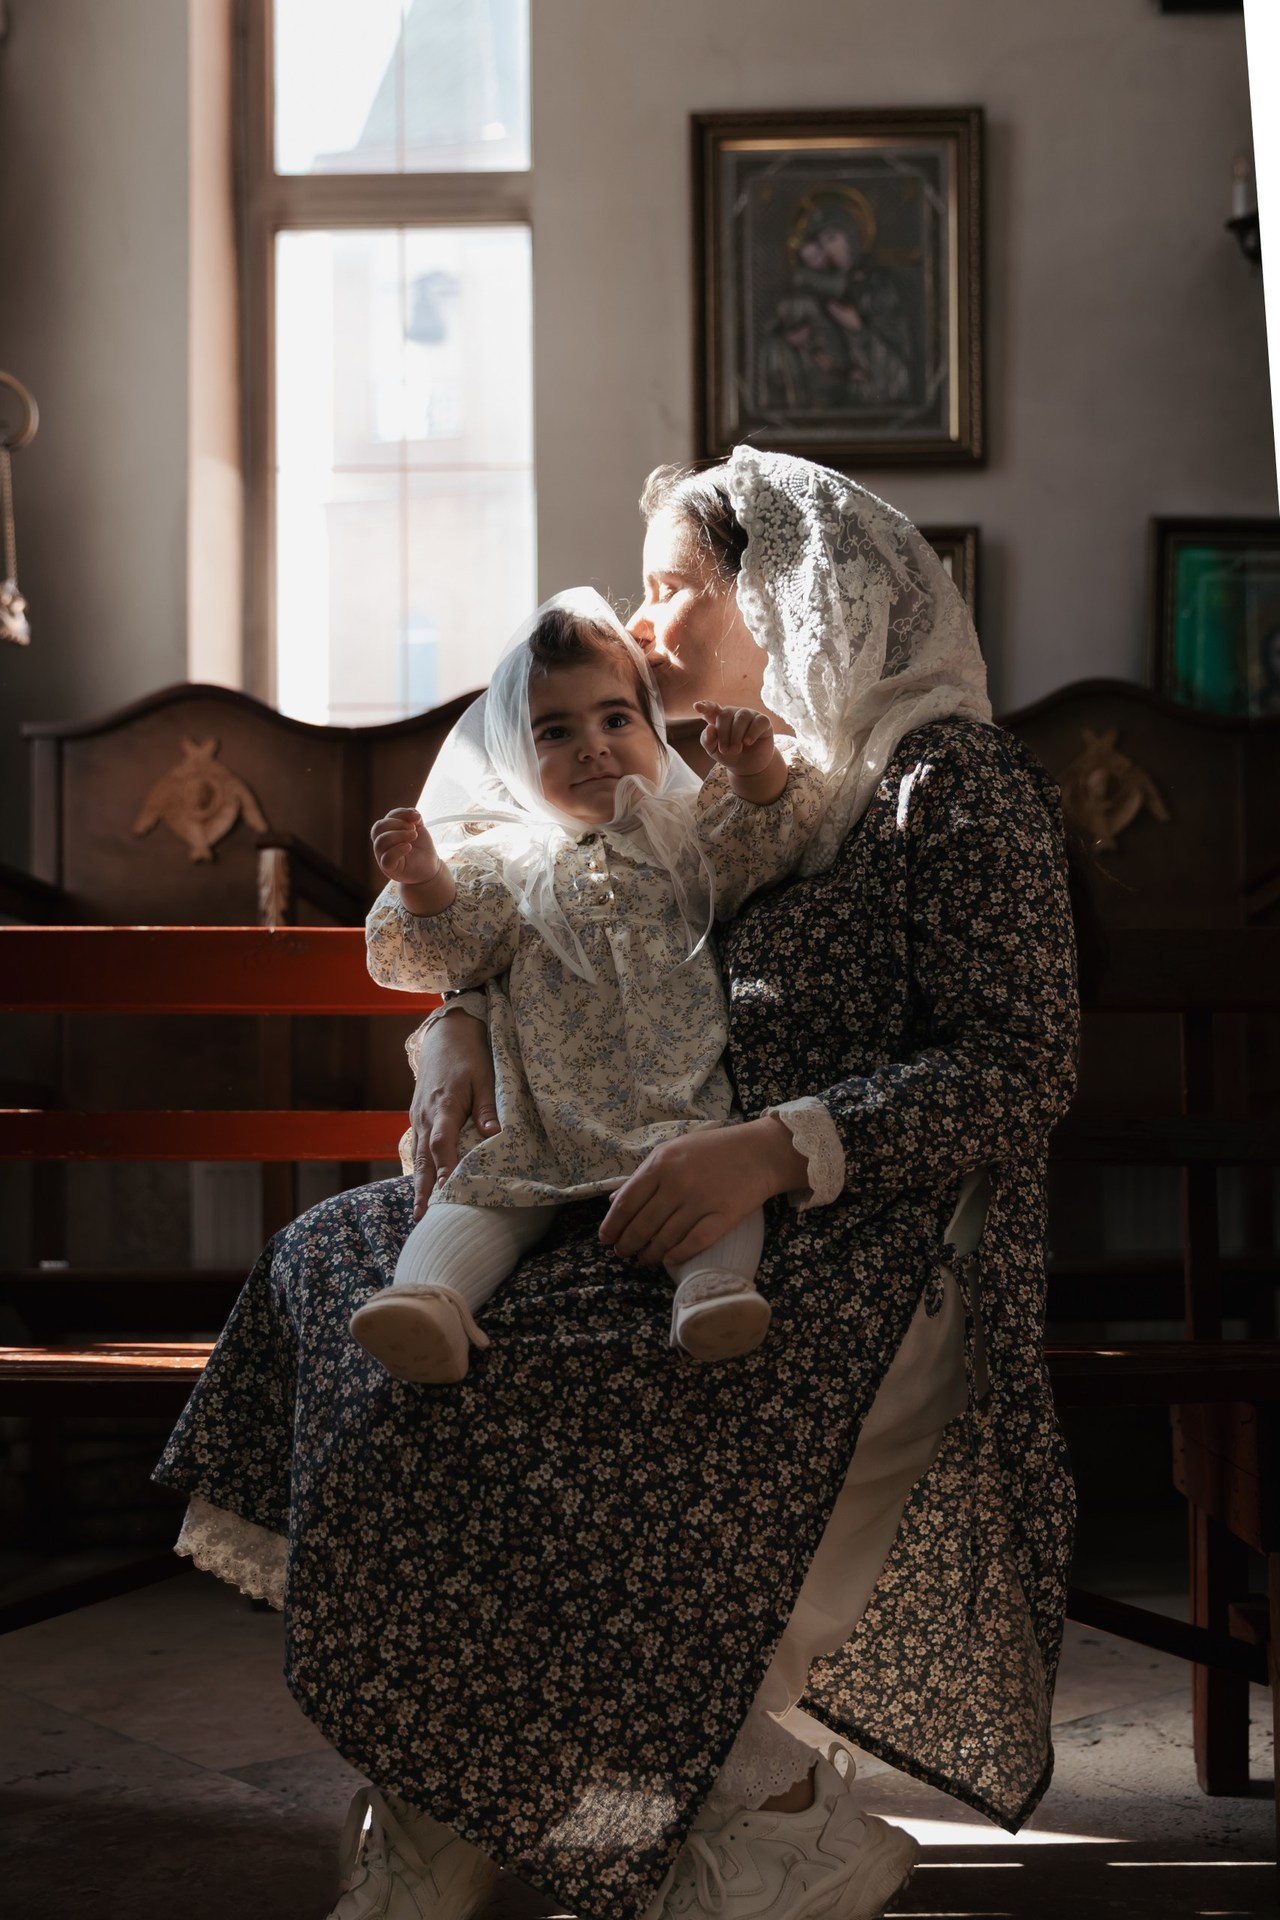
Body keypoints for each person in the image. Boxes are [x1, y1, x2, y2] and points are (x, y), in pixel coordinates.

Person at [153, 446, 1078, 1920]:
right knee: (343, 1270)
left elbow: (1016, 1068)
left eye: (673, 587)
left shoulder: (944, 781)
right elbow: (550, 910)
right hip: (618, 1168)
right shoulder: (687, 781)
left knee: (532, 1378)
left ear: (785, 589)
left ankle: (644, 1794)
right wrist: (451, 1034)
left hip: (864, 1229)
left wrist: (768, 1148)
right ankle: (468, 1774)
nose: (642, 628)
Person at [352, 592, 825, 1382]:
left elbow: (766, 840)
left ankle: (712, 1292)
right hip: (539, 1116)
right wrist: (426, 880)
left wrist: (754, 767)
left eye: (615, 720)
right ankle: (427, 1302)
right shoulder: (506, 861)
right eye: (556, 732)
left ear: (652, 728)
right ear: (512, 752)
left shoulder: (688, 835)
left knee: (714, 1189)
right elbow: (447, 953)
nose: (592, 748)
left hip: (678, 1106)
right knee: (481, 1196)